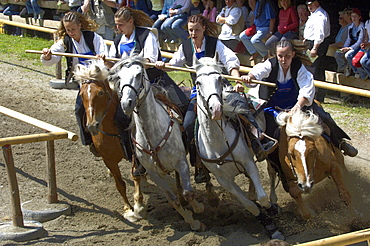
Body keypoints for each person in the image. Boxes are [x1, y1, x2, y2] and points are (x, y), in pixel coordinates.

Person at [156, 14, 276, 182]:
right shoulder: (185, 47)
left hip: (221, 87)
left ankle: (258, 140)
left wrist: (236, 80)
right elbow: (174, 64)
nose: (193, 33)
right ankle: (199, 165)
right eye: (190, 30)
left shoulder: (215, 43)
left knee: (240, 104)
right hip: (199, 92)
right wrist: (163, 65)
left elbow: (231, 62)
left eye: (196, 29)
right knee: (189, 122)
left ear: (204, 28)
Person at [235, 40, 357, 169]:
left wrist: (297, 107)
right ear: (276, 55)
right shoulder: (270, 65)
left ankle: (339, 142)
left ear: (293, 54)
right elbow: (259, 71)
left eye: (287, 56)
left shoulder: (299, 67)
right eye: (280, 56)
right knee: (268, 135)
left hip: (297, 106)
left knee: (323, 116)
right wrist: (250, 76)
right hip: (272, 109)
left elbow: (306, 88)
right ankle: (273, 162)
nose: (283, 60)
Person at [106, 8, 190, 175]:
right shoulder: (117, 40)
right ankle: (137, 158)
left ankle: (188, 149)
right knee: (121, 119)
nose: (118, 29)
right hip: (130, 85)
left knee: (183, 104)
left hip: (154, 80)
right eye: (116, 25)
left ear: (131, 22)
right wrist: (107, 62)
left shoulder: (147, 35)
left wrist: (128, 63)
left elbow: (150, 60)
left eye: (120, 25)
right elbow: (113, 66)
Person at [40, 11, 108, 157]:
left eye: (73, 29)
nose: (70, 32)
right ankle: (89, 141)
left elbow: (104, 58)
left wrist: (101, 57)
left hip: (99, 80)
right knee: (79, 109)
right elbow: (52, 57)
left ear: (80, 25)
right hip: (83, 84)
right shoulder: (65, 42)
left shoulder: (93, 37)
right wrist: (47, 55)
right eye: (67, 30)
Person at [303, 0, 330, 102]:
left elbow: (320, 34)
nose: (309, 7)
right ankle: (316, 95)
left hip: (317, 45)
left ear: (317, 3)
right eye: (308, 5)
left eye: (311, 4)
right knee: (316, 70)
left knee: (313, 70)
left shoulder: (320, 15)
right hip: (311, 43)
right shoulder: (314, 14)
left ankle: (315, 96)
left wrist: (315, 48)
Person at [341, 8, 367, 80]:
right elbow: (348, 39)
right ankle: (344, 69)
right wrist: (344, 47)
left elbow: (360, 41)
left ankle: (358, 72)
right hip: (353, 46)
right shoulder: (351, 27)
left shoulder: (362, 27)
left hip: (360, 46)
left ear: (359, 17)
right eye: (352, 16)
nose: (353, 18)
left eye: (355, 16)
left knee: (348, 55)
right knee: (338, 53)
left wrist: (349, 48)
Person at [360, 10, 370, 80]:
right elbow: (366, 35)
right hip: (368, 46)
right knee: (363, 61)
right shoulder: (367, 22)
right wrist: (364, 43)